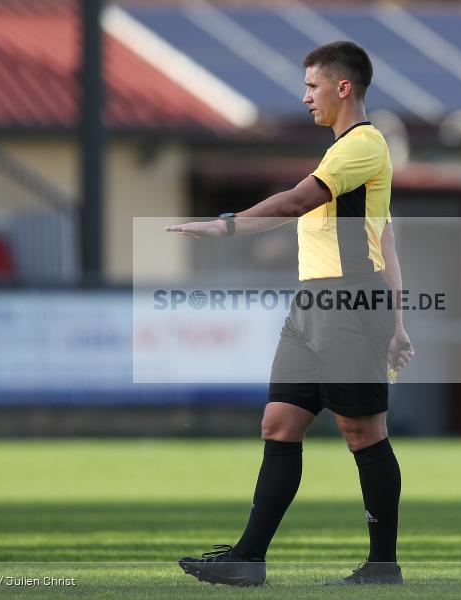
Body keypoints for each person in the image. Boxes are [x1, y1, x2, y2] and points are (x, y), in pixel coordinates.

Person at [165, 41, 413, 586]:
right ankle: (249, 559)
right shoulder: (341, 152)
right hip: (312, 305)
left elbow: (299, 202)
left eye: (312, 86)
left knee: (362, 432)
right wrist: (397, 322)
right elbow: (384, 237)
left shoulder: (363, 145)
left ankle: (382, 565)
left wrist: (224, 224)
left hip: (349, 302)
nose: (305, 97)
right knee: (279, 422)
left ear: (342, 87)